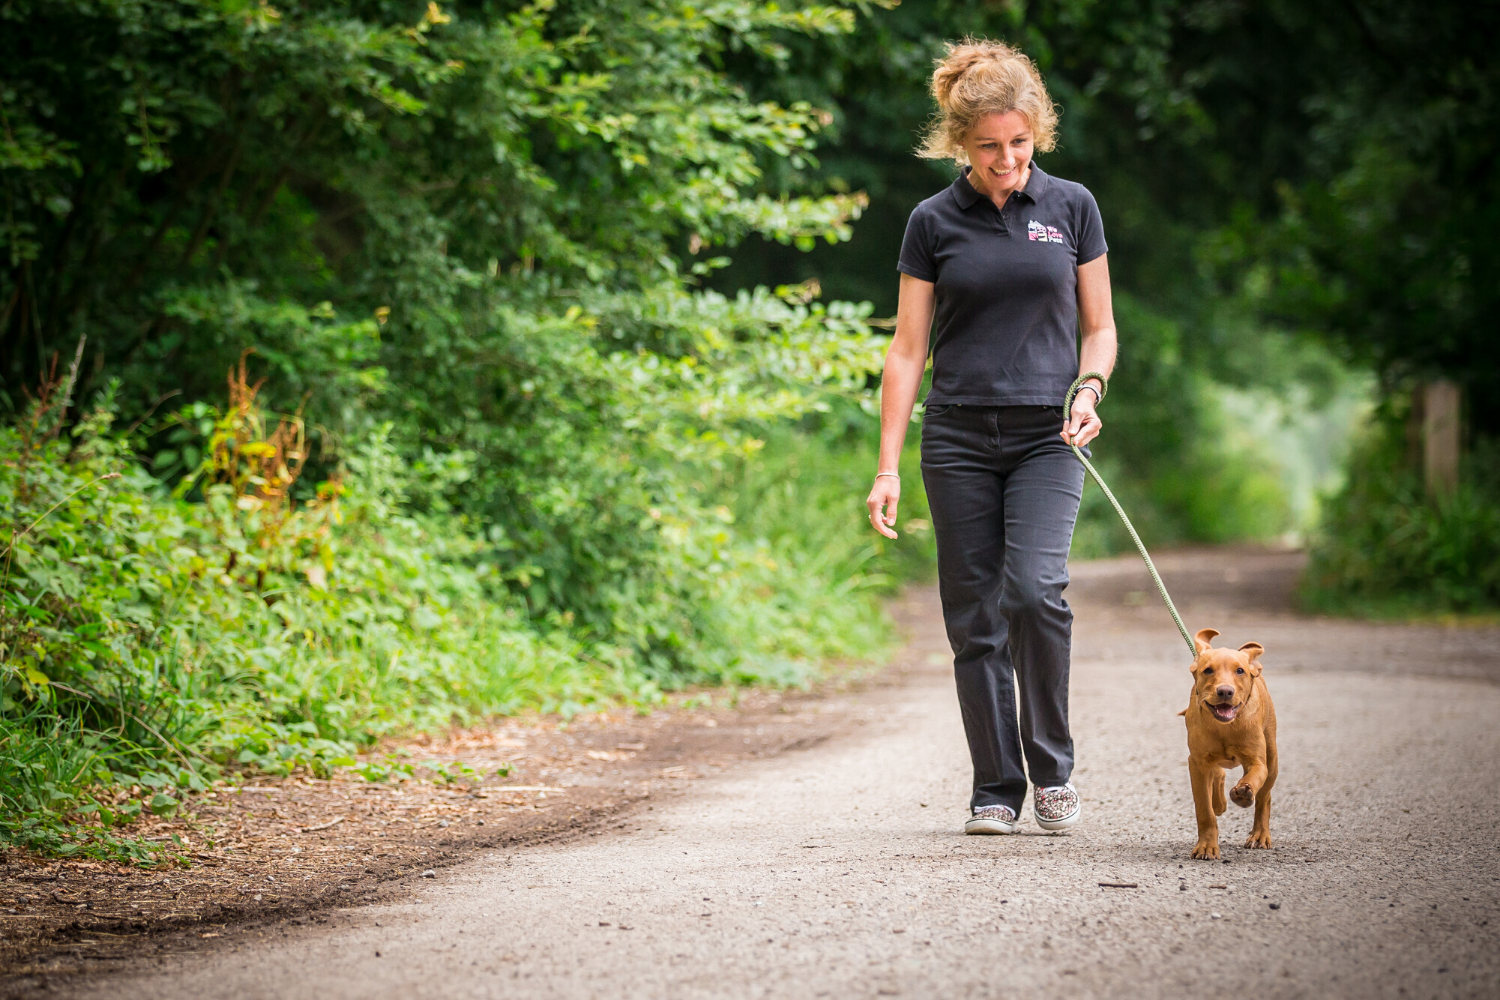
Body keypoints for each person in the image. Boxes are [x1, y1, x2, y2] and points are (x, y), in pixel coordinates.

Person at [865, 38, 1117, 836]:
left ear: (1036, 132)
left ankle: (1052, 770)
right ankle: (995, 788)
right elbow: (907, 351)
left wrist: (1090, 387)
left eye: (1018, 142)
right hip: (959, 439)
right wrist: (888, 466)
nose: (1006, 159)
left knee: (1035, 593)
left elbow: (1102, 329)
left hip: (1050, 435)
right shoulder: (931, 221)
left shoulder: (1072, 207)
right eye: (987, 147)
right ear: (957, 144)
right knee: (974, 617)